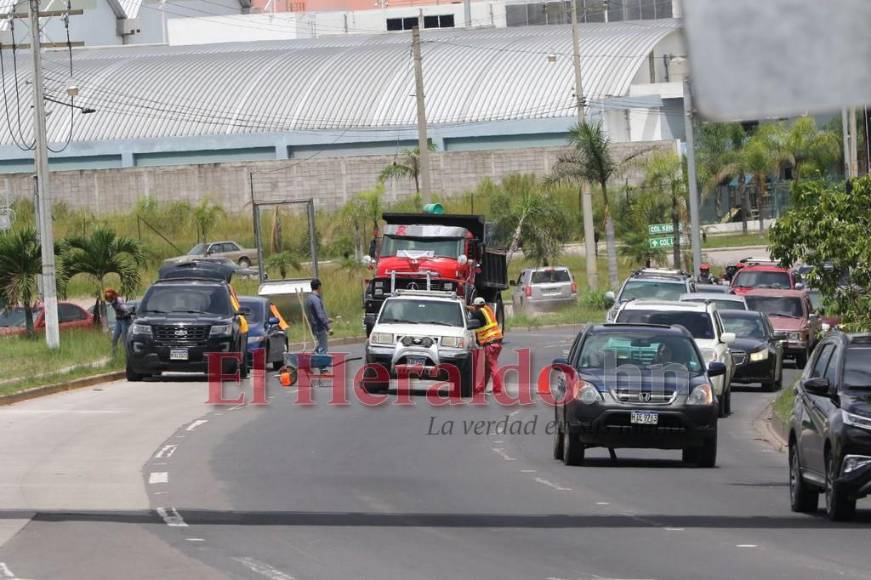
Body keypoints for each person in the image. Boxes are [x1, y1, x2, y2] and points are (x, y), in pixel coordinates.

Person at [468, 297, 503, 394]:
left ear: (476, 306)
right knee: (487, 367)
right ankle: (481, 388)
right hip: (496, 342)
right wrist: (469, 307)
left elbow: (474, 314)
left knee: (492, 366)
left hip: (490, 343)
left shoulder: (479, 313)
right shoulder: (487, 309)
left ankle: (497, 389)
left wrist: (466, 308)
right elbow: (475, 310)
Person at [305, 278, 332, 354]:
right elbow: (320, 315)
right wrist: (328, 327)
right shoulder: (316, 299)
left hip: (314, 326)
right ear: (319, 287)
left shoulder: (309, 298)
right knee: (323, 348)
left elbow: (313, 314)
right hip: (319, 327)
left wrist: (327, 319)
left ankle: (313, 356)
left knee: (320, 346)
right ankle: (318, 359)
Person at [104, 288, 132, 356]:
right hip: (118, 320)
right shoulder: (112, 302)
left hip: (125, 320)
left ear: (112, 296)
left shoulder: (119, 300)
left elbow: (123, 306)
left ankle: (127, 355)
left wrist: (126, 309)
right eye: (107, 299)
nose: (108, 300)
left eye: (109, 298)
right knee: (114, 338)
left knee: (124, 339)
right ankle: (114, 354)